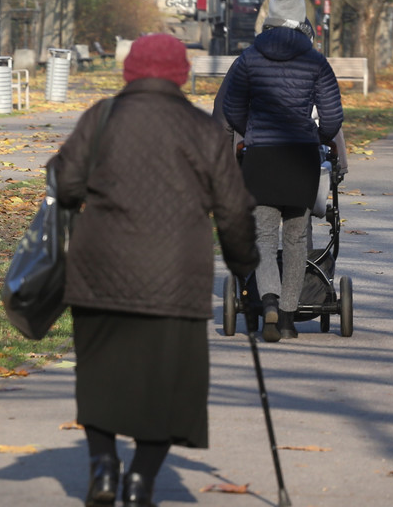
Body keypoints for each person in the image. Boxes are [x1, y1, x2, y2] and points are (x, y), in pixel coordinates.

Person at [49, 34, 259, 507]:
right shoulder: (203, 130)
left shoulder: (101, 118)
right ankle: (142, 479)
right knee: (170, 385)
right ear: (181, 74)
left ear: (130, 71)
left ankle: (103, 467)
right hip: (176, 277)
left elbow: (64, 184)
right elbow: (233, 210)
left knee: (100, 374)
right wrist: (245, 268)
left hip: (99, 270)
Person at [217, 0, 344, 343]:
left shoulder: (249, 59)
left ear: (271, 17)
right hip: (300, 157)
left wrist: (252, 132)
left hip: (262, 158)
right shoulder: (316, 61)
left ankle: (268, 299)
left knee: (263, 234)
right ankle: (288, 318)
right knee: (296, 238)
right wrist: (317, 137)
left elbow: (233, 109)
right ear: (302, 17)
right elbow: (332, 117)